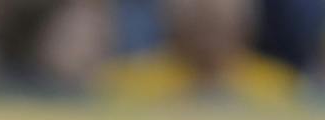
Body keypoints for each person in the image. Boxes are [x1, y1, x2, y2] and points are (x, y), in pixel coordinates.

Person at [99, 0, 303, 99]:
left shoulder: (279, 88)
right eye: (199, 20)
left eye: (217, 22)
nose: (207, 35)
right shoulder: (130, 84)